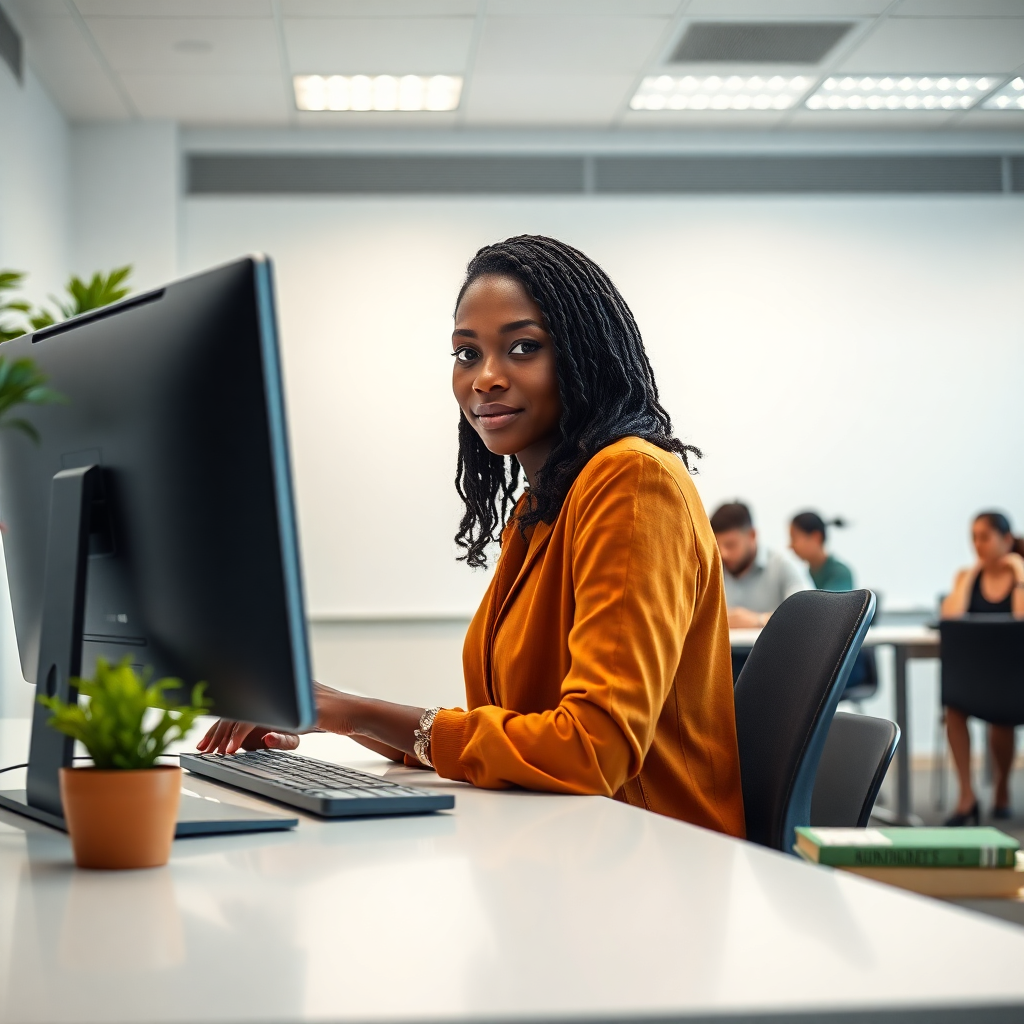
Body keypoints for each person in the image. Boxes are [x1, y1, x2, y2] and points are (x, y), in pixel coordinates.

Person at [199, 235, 746, 836]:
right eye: (467, 354)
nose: (485, 378)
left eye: (523, 347)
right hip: (570, 844)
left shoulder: (633, 481)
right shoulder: (543, 507)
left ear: (584, 354)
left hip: (658, 863)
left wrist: (354, 710)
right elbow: (514, 731)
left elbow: (592, 750)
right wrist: (336, 715)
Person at [939, 511, 1024, 825]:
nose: (978, 545)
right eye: (974, 537)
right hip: (979, 676)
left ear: (1006, 539)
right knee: (954, 707)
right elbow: (951, 615)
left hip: (1015, 676)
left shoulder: (1019, 576)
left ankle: (1002, 785)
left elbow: (1020, 617)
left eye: (985, 537)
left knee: (1001, 718)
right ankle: (967, 796)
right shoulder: (968, 576)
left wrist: (1018, 569)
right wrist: (973, 575)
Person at [710, 501, 811, 629]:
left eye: (731, 545)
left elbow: (808, 616)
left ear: (752, 535)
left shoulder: (783, 565)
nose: (723, 554)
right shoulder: (712, 570)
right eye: (717, 546)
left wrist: (758, 620)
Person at [789, 512, 854, 592]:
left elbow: (829, 603)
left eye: (794, 539)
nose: (790, 546)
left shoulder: (841, 573)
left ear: (816, 537)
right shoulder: (809, 574)